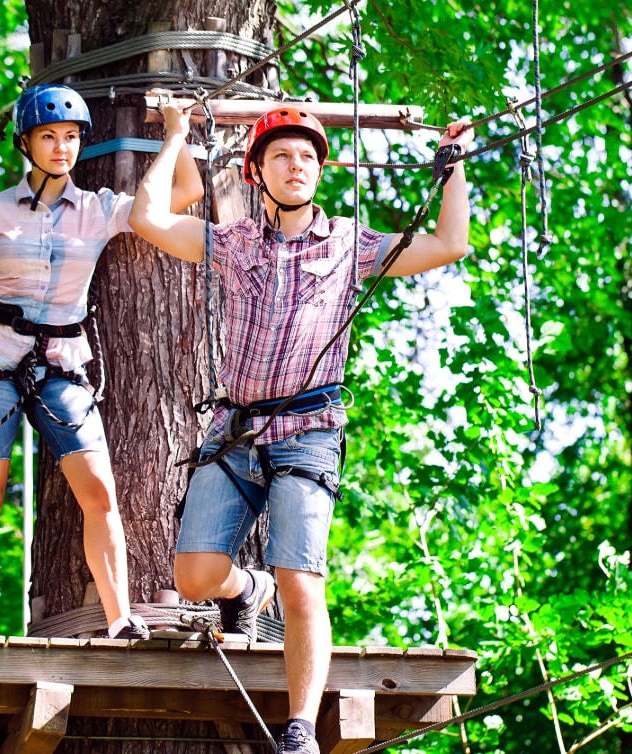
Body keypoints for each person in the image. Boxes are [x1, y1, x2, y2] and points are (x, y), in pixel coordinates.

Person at [129, 103, 473, 754]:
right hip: (236, 430)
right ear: (256, 172)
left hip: (309, 429)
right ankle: (244, 589)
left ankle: (299, 731)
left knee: (301, 576)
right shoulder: (233, 243)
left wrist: (451, 166)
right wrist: (175, 137)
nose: (298, 166)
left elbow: (450, 244)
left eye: (309, 157)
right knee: (197, 577)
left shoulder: (349, 244)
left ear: (321, 172)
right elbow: (147, 218)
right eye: (283, 156)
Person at [0, 83, 203, 640]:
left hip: (61, 362)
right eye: (49, 137)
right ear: (26, 142)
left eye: (71, 137)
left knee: (98, 492)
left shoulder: (100, 210)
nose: (62, 148)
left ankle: (119, 618)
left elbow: (187, 190)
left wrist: (177, 133)